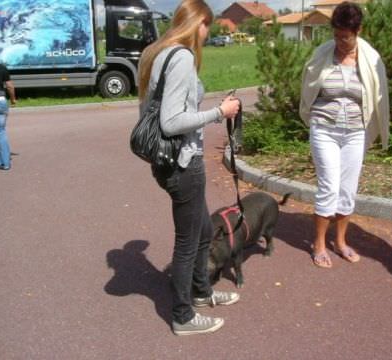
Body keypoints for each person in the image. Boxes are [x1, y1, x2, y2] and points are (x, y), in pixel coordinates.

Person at [137, 0, 241, 335]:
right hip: (183, 163)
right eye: (208, 26)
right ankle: (183, 316)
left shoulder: (158, 53)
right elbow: (171, 122)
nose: (208, 34)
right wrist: (219, 113)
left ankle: (201, 291)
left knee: (205, 232)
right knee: (189, 239)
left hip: (170, 161)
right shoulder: (180, 57)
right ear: (198, 24)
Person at [299, 2, 389, 268]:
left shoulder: (371, 59)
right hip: (324, 127)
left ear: (358, 30)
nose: (339, 41)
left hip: (355, 131)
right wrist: (311, 116)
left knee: (348, 188)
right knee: (329, 184)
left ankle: (340, 242)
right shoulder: (322, 53)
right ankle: (318, 243)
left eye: (345, 37)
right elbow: (308, 87)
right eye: (336, 35)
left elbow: (377, 97)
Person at [0, 47, 16, 170]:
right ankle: (6, 163)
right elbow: (10, 86)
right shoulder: (1, 67)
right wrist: (13, 99)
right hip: (1, 101)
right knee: (1, 131)